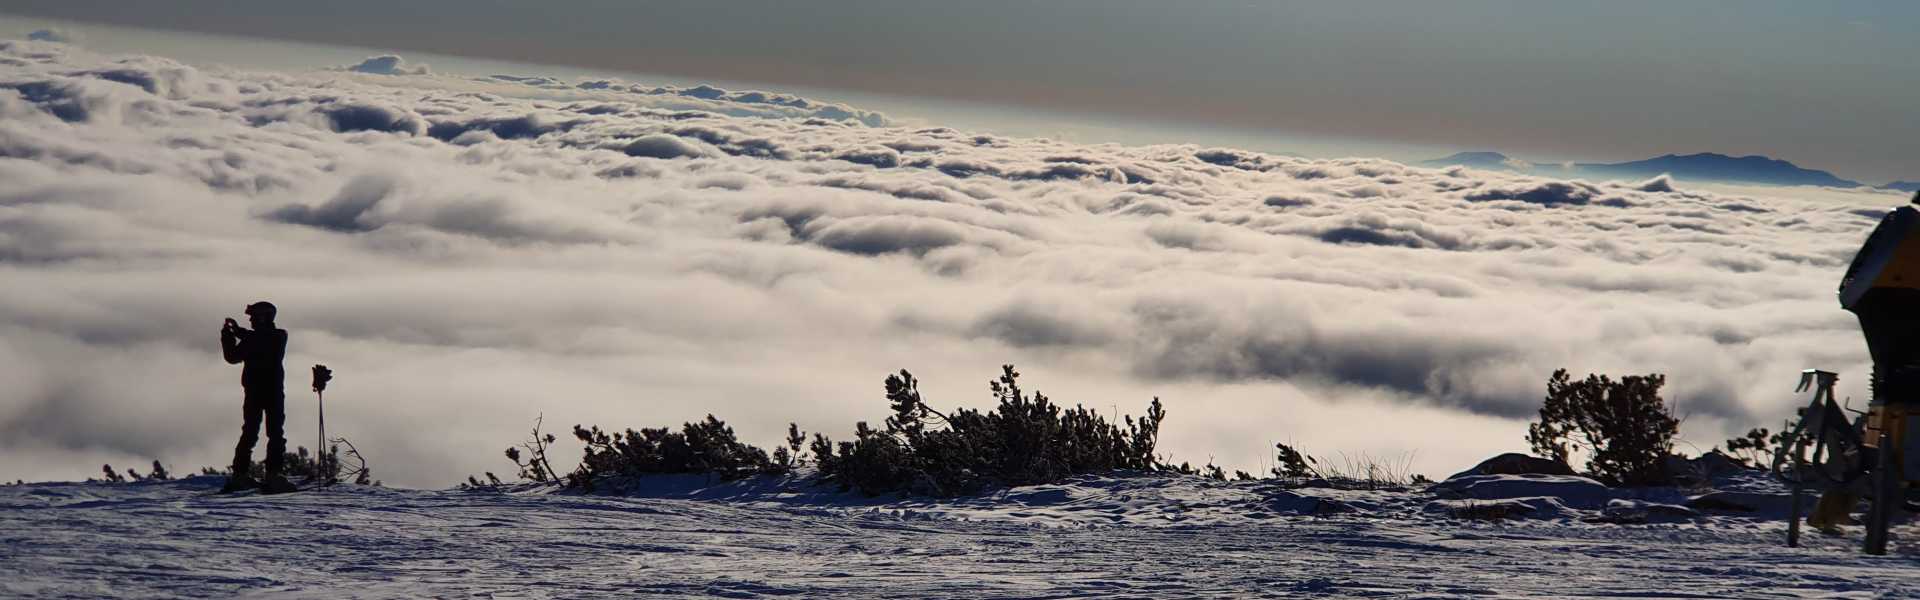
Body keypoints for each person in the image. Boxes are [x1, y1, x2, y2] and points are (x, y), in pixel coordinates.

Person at [221, 301, 295, 493]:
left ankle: (240, 475)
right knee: (274, 433)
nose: (251, 320)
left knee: (251, 432)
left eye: (254, 317)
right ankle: (273, 475)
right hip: (274, 392)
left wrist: (229, 336)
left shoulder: (258, 339)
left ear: (263, 318)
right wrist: (238, 332)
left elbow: (233, 356)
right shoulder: (279, 336)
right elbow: (257, 339)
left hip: (255, 392)